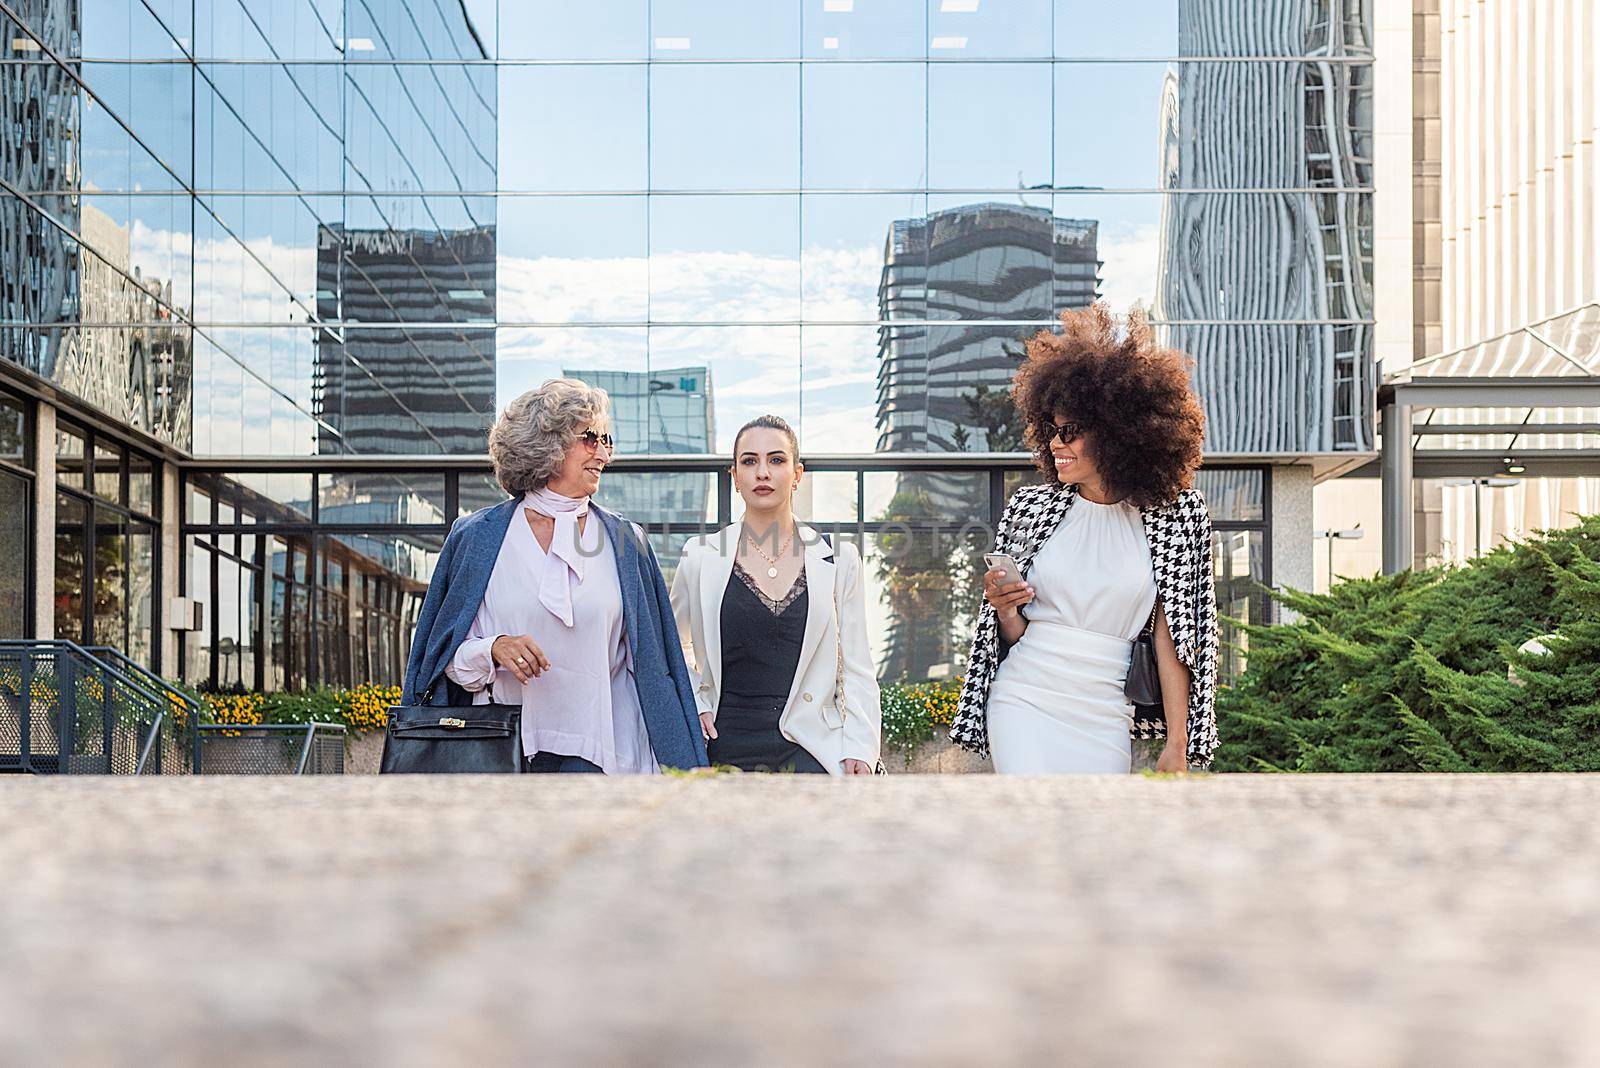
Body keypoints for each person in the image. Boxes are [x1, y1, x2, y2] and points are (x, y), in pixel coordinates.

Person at [949, 305, 1219, 774]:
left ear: (1118, 432)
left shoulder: (1176, 516)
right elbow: (1014, 635)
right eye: (1051, 430)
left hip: (1105, 711)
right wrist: (1006, 607)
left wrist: (1179, 742)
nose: (1056, 443)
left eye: (1071, 431)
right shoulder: (1031, 508)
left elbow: (1175, 637)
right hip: (1024, 698)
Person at [401, 379, 707, 773]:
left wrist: (692, 713)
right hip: (503, 749)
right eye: (589, 438)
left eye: (606, 439)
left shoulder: (626, 542)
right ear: (546, 443)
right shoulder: (476, 537)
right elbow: (439, 656)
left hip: (606, 752)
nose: (604, 453)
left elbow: (655, 658)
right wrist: (492, 648)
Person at [671, 415, 880, 775]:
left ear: (797, 474)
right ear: (734, 477)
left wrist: (861, 746)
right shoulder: (700, 556)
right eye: (749, 461)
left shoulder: (839, 557)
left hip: (811, 746)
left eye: (777, 460)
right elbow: (675, 645)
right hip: (722, 746)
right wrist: (696, 700)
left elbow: (858, 666)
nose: (763, 472)